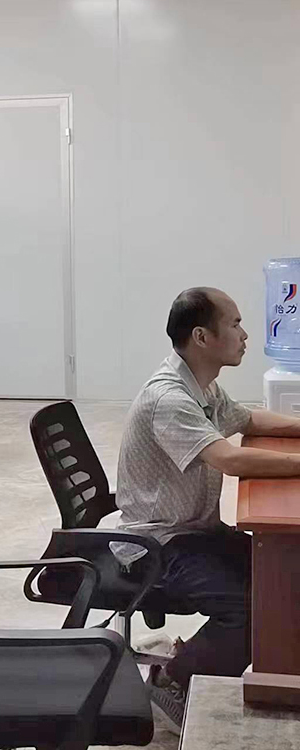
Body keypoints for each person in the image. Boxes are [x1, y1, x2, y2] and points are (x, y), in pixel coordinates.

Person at [115, 287, 300, 734]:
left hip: (193, 530)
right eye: (234, 324)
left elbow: (248, 419)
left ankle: (270, 674)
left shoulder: (200, 385)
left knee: (283, 575)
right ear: (202, 336)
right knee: (252, 606)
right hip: (159, 544)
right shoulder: (170, 399)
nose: (245, 335)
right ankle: (173, 681)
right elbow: (229, 459)